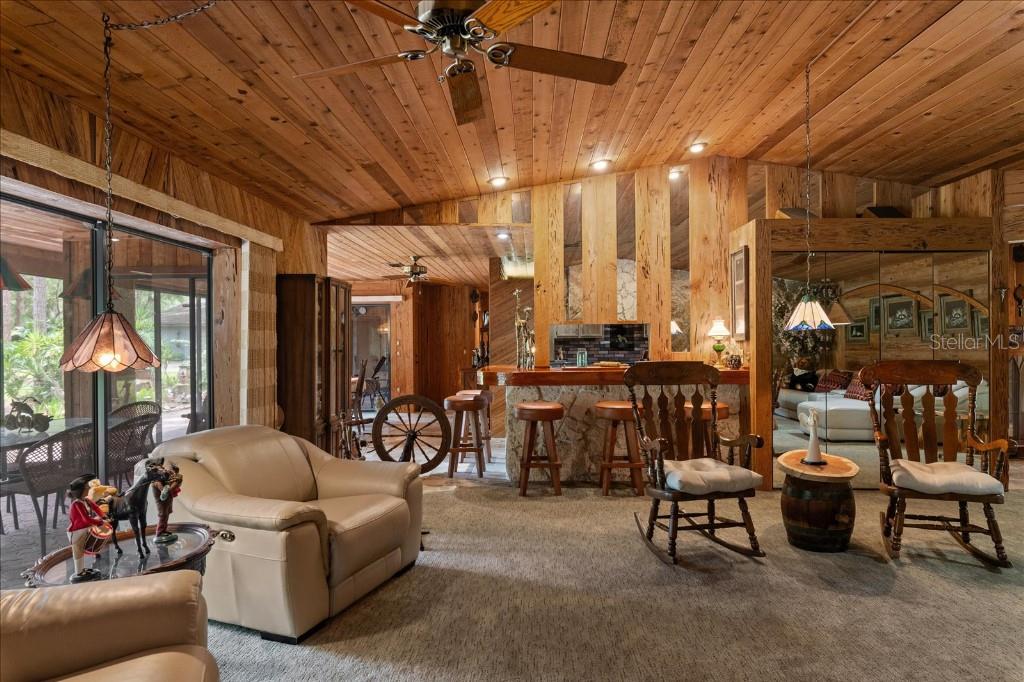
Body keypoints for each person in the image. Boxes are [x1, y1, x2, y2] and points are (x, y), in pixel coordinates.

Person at [66, 474, 107, 583]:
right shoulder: (76, 504)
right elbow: (85, 520)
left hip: (85, 529)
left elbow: (96, 508)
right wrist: (100, 522)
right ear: (81, 491)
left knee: (82, 550)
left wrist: (103, 515)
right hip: (76, 531)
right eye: (87, 487)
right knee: (78, 551)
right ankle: (79, 572)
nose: (89, 489)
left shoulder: (86, 500)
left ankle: (82, 570)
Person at [151, 462, 182, 544]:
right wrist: (167, 489)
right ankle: (159, 532)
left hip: (167, 501)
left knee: (166, 515)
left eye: (163, 468)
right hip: (162, 502)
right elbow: (163, 490)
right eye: (160, 469)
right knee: (163, 516)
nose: (163, 470)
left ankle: (164, 530)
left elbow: (172, 480)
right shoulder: (156, 482)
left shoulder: (165, 479)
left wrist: (174, 476)